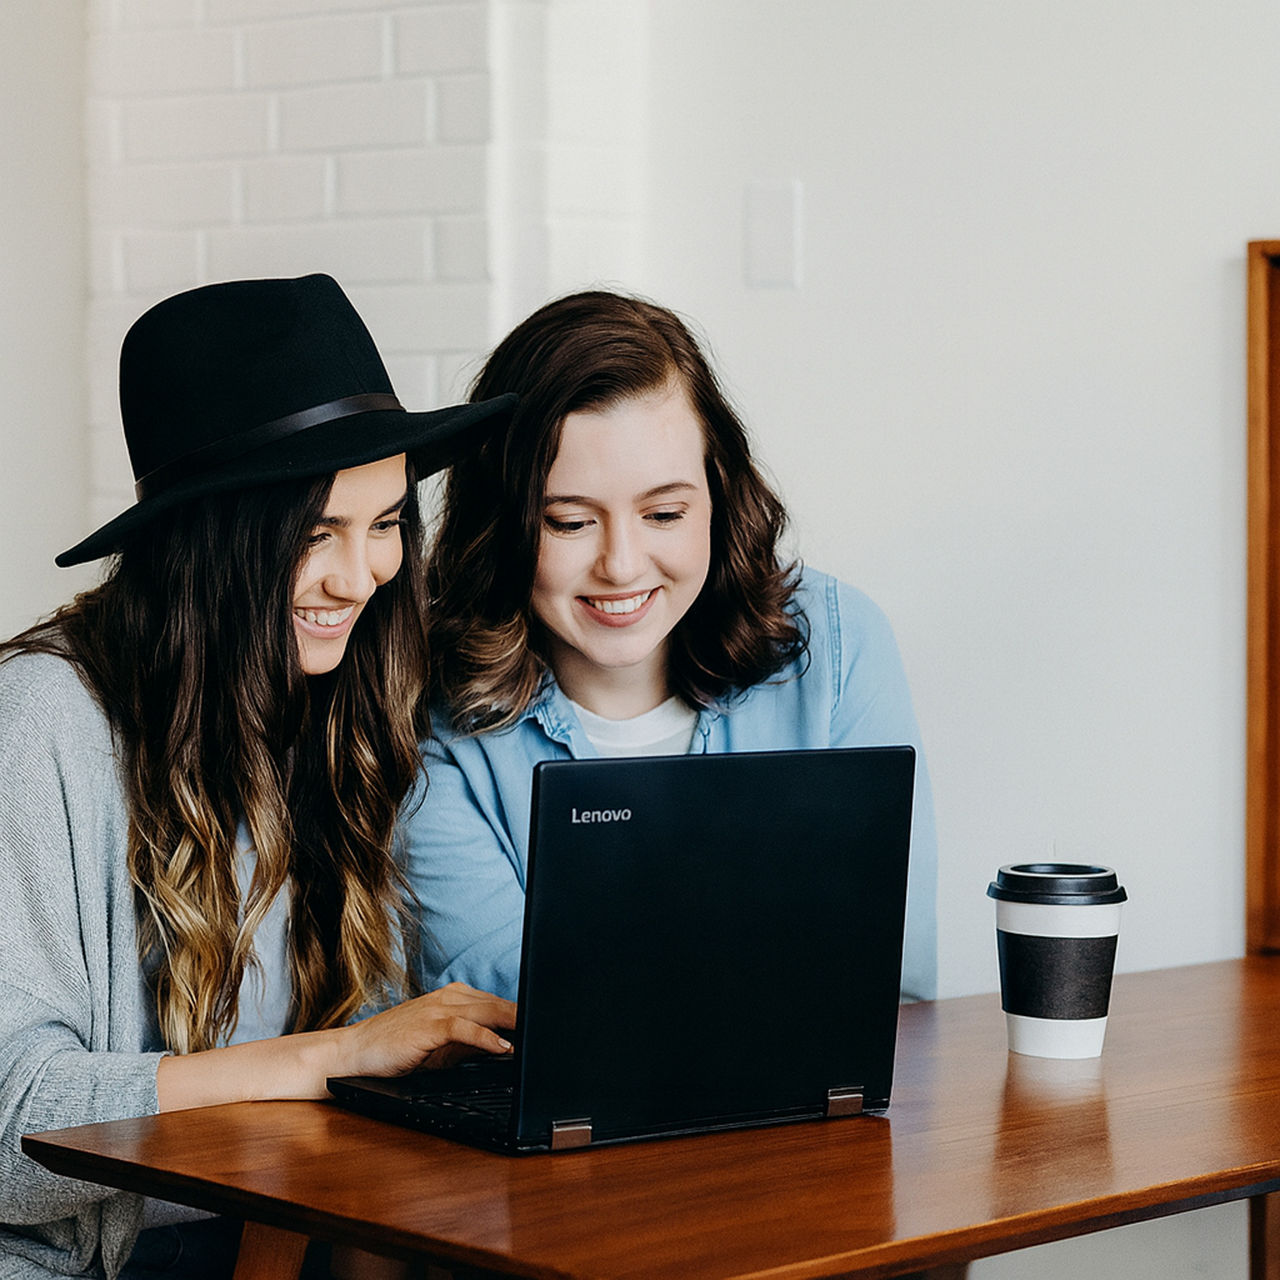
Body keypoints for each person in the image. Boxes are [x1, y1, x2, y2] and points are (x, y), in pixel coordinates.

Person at [0, 274, 519, 1280]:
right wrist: (327, 1060)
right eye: (315, 533)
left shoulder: (337, 706)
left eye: (384, 523)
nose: (360, 575)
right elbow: (12, 1129)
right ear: (210, 541)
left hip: (279, 1239)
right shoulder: (46, 720)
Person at [405, 289, 937, 1006]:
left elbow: (893, 970)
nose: (621, 565)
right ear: (502, 526)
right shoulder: (425, 709)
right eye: (568, 523)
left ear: (719, 496)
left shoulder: (837, 649)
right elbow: (516, 1002)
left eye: (663, 513)